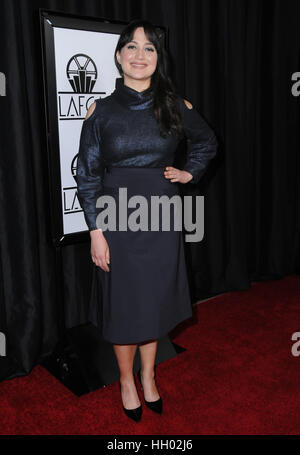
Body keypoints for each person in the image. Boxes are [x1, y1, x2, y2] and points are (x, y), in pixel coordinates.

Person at [75, 19, 218, 422]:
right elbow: (85, 172)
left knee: (152, 303)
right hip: (116, 218)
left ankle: (149, 376)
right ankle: (126, 380)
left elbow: (207, 141)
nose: (140, 55)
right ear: (119, 56)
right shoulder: (100, 111)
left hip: (161, 216)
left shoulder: (175, 105)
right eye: (132, 47)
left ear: (159, 58)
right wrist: (96, 232)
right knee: (124, 306)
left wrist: (189, 172)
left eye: (149, 48)